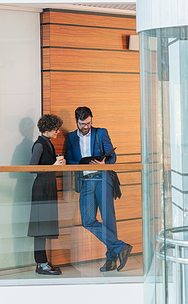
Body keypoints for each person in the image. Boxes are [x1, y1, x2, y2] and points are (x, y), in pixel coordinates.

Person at [65, 106, 132, 272]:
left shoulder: (101, 133)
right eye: (83, 124)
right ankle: (121, 247)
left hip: (102, 178)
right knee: (87, 220)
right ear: (76, 122)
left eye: (88, 123)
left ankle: (111, 259)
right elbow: (69, 160)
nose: (86, 126)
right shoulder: (72, 137)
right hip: (85, 181)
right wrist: (81, 164)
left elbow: (113, 156)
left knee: (109, 219)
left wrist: (105, 164)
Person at [27, 113, 65, 276]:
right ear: (48, 129)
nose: (57, 133)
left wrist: (56, 165)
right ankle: (41, 263)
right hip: (41, 188)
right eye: (56, 130)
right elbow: (32, 168)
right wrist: (54, 165)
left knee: (45, 225)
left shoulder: (46, 143)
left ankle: (43, 262)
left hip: (47, 187)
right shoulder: (39, 145)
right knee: (40, 227)